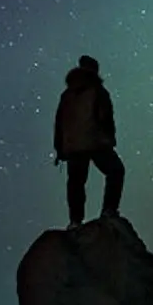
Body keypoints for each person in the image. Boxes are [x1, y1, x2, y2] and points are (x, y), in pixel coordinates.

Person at [53, 55, 125, 229]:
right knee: (116, 171)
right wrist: (110, 138)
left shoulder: (67, 95)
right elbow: (105, 117)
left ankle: (75, 221)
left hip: (73, 146)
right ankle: (109, 211)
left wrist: (60, 149)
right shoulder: (98, 90)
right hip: (96, 141)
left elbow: (59, 123)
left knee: (76, 183)